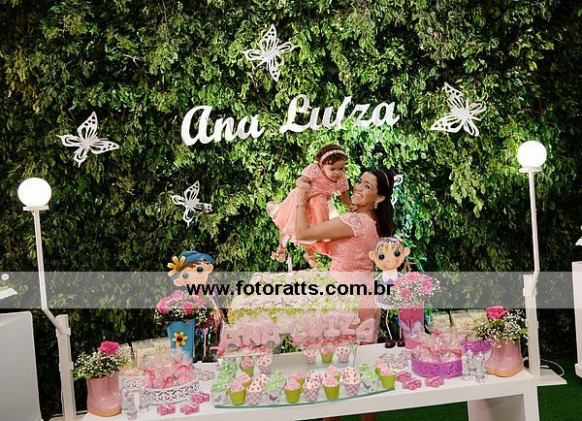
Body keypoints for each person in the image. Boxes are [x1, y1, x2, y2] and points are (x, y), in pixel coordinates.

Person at [294, 168, 395, 421]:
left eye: (367, 186)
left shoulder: (355, 222)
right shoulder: (376, 224)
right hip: (366, 299)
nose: (358, 188)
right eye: (359, 182)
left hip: (343, 302)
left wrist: (300, 199)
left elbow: (302, 234)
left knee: (333, 373)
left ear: (379, 198)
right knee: (364, 369)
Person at [267, 144, 355, 268]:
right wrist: (302, 184)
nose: (337, 172)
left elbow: (343, 193)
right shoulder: (314, 170)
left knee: (315, 229)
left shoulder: (341, 178)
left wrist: (349, 205)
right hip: (303, 199)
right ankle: (282, 246)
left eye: (341, 168)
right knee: (290, 224)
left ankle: (310, 254)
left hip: (320, 205)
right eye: (332, 169)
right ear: (321, 166)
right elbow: (301, 179)